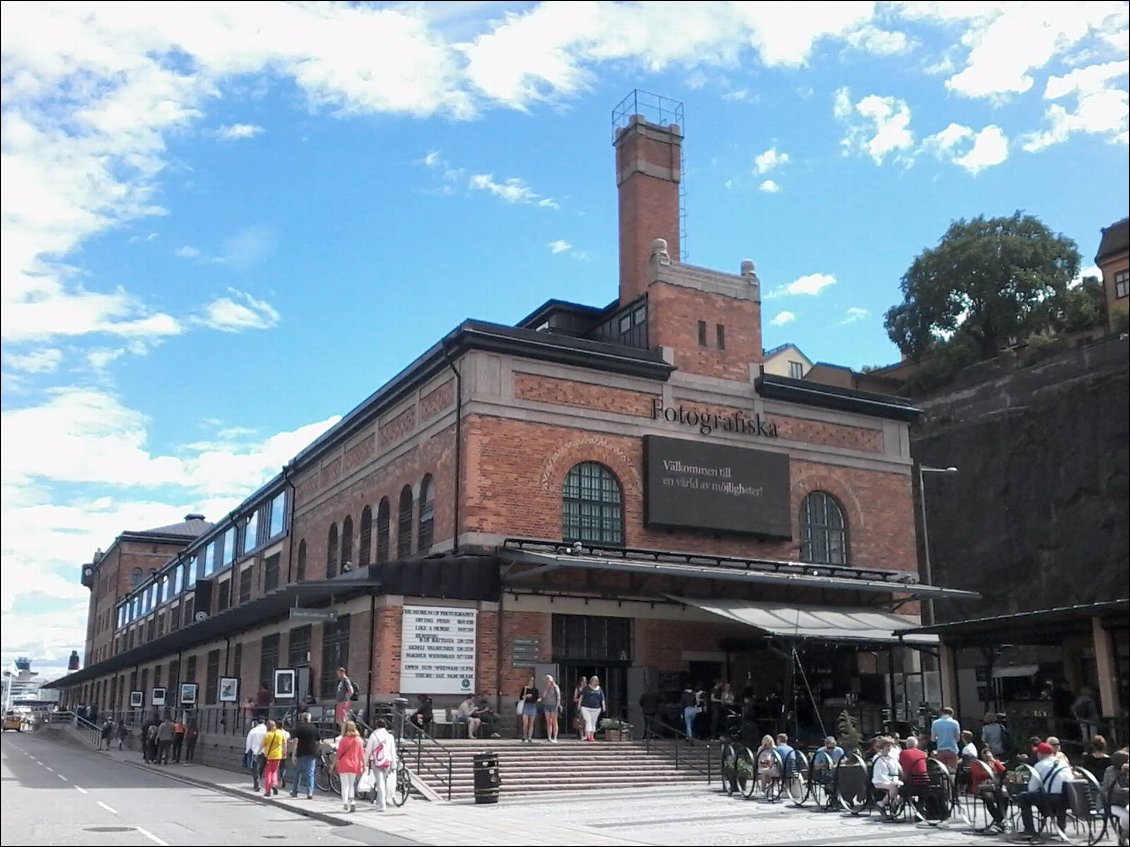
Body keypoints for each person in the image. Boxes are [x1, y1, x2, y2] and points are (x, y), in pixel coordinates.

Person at [1016, 741, 1070, 841]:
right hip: (1066, 798)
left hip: (1049, 798)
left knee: (1023, 797)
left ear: (1041, 754)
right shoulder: (1064, 763)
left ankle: (1029, 830)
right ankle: (1061, 827)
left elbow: (1032, 788)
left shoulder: (1039, 765)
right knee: (1059, 800)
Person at [970, 746, 1007, 832]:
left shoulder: (994, 762)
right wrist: (989, 770)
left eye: (988, 752)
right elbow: (978, 775)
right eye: (984, 752)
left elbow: (1003, 770)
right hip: (983, 786)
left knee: (1005, 796)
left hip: (995, 786)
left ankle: (999, 820)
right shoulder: (977, 763)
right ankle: (998, 819)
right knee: (989, 798)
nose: (986, 755)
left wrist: (993, 761)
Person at [365, 717, 396, 812]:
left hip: (376, 761)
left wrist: (366, 761)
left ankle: (382, 804)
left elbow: (368, 750)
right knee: (384, 781)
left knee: (380, 782)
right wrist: (393, 764)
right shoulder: (390, 736)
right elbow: (392, 751)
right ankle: (378, 802)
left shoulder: (373, 735)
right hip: (387, 761)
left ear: (376, 725)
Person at [1100, 747, 1128, 846]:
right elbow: (1117, 790)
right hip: (1111, 803)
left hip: (1123, 802)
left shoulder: (1124, 771)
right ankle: (1122, 840)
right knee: (1127, 817)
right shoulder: (1110, 771)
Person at [289, 712, 320, 799]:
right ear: (309, 719)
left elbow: (295, 741)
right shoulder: (314, 728)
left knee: (297, 773)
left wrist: (293, 754)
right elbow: (318, 741)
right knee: (310, 773)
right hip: (311, 753)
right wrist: (317, 750)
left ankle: (295, 791)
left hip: (301, 753)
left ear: (302, 719)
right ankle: (310, 792)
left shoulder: (299, 728)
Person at [336, 720, 365, 813]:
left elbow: (339, 753)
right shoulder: (359, 740)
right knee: (351, 785)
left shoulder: (343, 740)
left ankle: (345, 803)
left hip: (344, 764)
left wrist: (333, 764)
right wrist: (364, 765)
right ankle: (352, 801)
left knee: (345, 785)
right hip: (354, 764)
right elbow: (362, 754)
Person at [871, 737, 902, 810]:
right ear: (883, 746)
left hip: (891, 780)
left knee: (903, 786)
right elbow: (879, 774)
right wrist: (891, 782)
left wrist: (895, 780)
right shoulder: (877, 757)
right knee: (893, 787)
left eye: (890, 746)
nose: (889, 748)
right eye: (887, 746)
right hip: (880, 781)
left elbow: (896, 770)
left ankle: (896, 802)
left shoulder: (892, 757)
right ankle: (882, 803)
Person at [260, 719, 287, 796]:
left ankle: (268, 791)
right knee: (275, 771)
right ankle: (274, 784)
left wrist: (258, 753)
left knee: (268, 773)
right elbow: (284, 743)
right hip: (278, 755)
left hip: (269, 756)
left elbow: (262, 745)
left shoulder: (267, 734)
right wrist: (284, 752)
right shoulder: (280, 733)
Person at [930, 706, 961, 770]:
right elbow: (958, 739)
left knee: (943, 771)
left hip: (941, 750)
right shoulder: (955, 723)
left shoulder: (935, 723)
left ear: (942, 713)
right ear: (951, 714)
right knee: (952, 771)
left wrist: (939, 738)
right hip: (952, 750)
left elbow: (933, 739)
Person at [577, 675, 606, 742]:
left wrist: (603, 706)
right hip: (586, 707)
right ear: (591, 681)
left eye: (596, 681)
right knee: (588, 720)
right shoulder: (586, 688)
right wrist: (579, 705)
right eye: (594, 680)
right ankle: (588, 735)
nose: (595, 682)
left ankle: (591, 736)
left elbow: (602, 698)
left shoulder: (599, 689)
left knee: (593, 722)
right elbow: (581, 697)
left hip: (596, 708)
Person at [245, 717, 267, 791]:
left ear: (257, 722)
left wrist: (247, 750)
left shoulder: (253, 731)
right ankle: (259, 781)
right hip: (265, 752)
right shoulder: (267, 731)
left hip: (255, 752)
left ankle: (257, 783)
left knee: (255, 768)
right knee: (261, 768)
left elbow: (249, 742)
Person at [541, 674, 562, 744]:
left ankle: (555, 737)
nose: (548, 682)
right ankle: (549, 737)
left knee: (554, 721)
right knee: (548, 722)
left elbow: (558, 697)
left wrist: (557, 706)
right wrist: (547, 689)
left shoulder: (556, 687)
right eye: (547, 681)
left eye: (549, 680)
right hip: (546, 705)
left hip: (553, 706)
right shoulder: (546, 688)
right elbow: (543, 696)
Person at [518, 675, 539, 743]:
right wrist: (526, 695)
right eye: (530, 680)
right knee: (525, 722)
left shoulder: (535, 690)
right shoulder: (525, 688)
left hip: (533, 706)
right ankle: (524, 735)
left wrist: (538, 699)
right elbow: (521, 697)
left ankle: (529, 737)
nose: (531, 682)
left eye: (532, 681)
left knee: (531, 723)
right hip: (526, 705)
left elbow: (536, 698)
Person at [334, 668, 354, 736]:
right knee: (337, 719)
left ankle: (342, 734)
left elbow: (351, 691)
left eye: (338, 673)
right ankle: (344, 732)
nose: (337, 675)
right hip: (339, 702)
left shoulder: (346, 680)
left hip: (343, 702)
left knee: (342, 719)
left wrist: (345, 699)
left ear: (342, 672)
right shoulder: (341, 681)